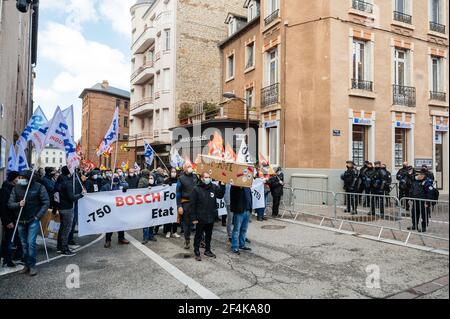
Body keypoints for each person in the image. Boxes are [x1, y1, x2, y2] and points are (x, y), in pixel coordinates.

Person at [8, 170, 50, 276]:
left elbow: (46, 202)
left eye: (23, 178)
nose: (20, 180)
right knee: (24, 244)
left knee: (31, 243)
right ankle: (26, 264)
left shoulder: (39, 187)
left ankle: (32, 265)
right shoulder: (16, 188)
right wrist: (18, 204)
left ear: (29, 179)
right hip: (20, 220)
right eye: (19, 177)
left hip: (33, 220)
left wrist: (37, 216)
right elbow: (10, 204)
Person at [189, 172, 225, 261]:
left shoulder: (213, 187)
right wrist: (193, 218)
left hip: (211, 216)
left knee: (209, 235)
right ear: (201, 178)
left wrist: (223, 185)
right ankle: (196, 251)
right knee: (198, 235)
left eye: (209, 177)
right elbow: (192, 205)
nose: (208, 179)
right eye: (206, 177)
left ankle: (207, 250)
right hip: (200, 217)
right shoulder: (196, 189)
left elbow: (220, 195)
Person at [56, 166, 84, 256]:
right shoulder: (67, 183)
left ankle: (59, 246)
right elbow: (71, 198)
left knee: (62, 228)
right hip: (67, 208)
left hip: (61, 207)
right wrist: (81, 195)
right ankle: (64, 248)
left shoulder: (59, 181)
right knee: (66, 229)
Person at [0, 171, 23, 267]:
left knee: (14, 239)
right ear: (13, 178)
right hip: (9, 220)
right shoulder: (5, 190)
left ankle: (11, 257)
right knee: (9, 240)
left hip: (15, 218)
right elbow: (2, 207)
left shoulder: (15, 188)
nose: (20, 179)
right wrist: (7, 221)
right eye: (18, 177)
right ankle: (7, 259)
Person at [102, 174, 130, 248]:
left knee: (121, 224)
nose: (116, 178)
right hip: (111, 209)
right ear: (110, 178)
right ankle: (108, 240)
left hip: (120, 208)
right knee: (110, 225)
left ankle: (121, 238)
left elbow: (127, 189)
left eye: (117, 176)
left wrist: (126, 188)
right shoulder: (106, 187)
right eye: (114, 177)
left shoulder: (121, 185)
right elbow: (100, 196)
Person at [177, 163, 199, 249]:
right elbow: (178, 193)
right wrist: (179, 206)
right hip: (186, 204)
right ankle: (187, 240)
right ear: (184, 169)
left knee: (199, 222)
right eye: (188, 167)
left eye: (190, 166)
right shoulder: (181, 178)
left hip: (196, 203)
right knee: (187, 224)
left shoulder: (195, 177)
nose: (190, 168)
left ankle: (201, 240)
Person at [230, 185, 253, 255]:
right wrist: (239, 188)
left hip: (247, 210)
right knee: (236, 230)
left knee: (244, 229)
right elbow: (234, 198)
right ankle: (234, 247)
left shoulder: (247, 186)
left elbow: (250, 197)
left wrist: (250, 208)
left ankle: (242, 245)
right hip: (239, 211)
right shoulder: (235, 186)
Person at [139, 169, 157, 244]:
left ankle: (150, 235)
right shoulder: (142, 180)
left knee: (152, 220)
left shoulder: (153, 182)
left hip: (152, 203)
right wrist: (147, 186)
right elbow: (139, 190)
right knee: (146, 221)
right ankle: (146, 237)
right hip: (145, 204)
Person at [163, 168, 180, 238]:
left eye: (175, 172)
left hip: (176, 202)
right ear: (170, 173)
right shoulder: (166, 180)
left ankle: (175, 231)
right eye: (172, 172)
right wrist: (164, 186)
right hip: (168, 202)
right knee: (169, 217)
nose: (173, 173)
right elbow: (162, 189)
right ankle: (168, 231)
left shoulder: (178, 181)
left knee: (175, 217)